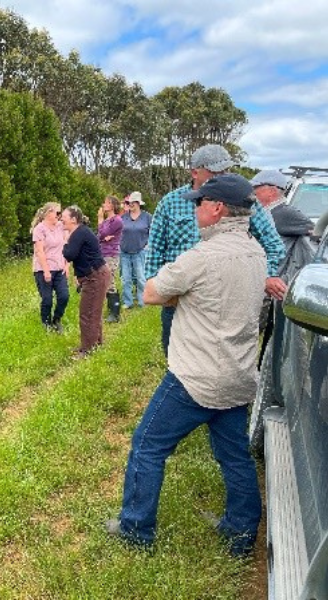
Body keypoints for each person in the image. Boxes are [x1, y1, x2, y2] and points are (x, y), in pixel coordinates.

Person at [106, 173, 265, 558]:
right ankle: (240, 535)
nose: (194, 209)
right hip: (238, 376)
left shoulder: (201, 257)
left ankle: (135, 528)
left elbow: (150, 292)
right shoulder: (256, 253)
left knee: (147, 446)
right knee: (234, 457)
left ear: (217, 209)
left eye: (199, 202)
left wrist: (184, 299)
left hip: (195, 378)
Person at [145, 144, 285, 356]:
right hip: (178, 300)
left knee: (220, 358)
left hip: (223, 300)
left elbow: (273, 244)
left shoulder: (241, 200)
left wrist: (266, 275)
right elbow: (155, 250)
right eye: (216, 172)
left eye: (226, 170)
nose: (223, 175)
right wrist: (159, 289)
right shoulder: (170, 203)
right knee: (176, 359)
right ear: (195, 172)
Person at [250, 169, 314, 334]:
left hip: (270, 283)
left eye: (258, 187)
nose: (254, 192)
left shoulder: (284, 213)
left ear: (272, 190)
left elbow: (313, 230)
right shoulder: (267, 212)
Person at [61, 205, 110, 356]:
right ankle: (96, 342)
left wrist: (65, 242)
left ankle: (87, 349)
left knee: (87, 312)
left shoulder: (78, 233)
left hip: (95, 276)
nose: (62, 220)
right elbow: (82, 256)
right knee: (94, 310)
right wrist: (78, 276)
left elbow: (69, 254)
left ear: (74, 219)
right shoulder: (81, 231)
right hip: (95, 274)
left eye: (64, 218)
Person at [30, 202, 70, 333]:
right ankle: (46, 322)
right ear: (48, 214)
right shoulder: (39, 229)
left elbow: (66, 245)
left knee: (64, 296)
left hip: (59, 267)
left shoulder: (60, 227)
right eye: (57, 213)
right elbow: (39, 251)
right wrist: (46, 271)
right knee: (47, 299)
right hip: (43, 268)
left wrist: (67, 265)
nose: (59, 216)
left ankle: (57, 319)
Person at [120, 191, 152, 310]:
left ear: (138, 203)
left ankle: (142, 301)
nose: (130, 204)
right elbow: (118, 232)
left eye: (133, 202)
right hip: (124, 252)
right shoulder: (124, 217)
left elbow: (153, 233)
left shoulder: (147, 217)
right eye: (129, 202)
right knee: (125, 279)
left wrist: (147, 246)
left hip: (140, 252)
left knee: (141, 278)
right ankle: (127, 302)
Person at [97, 196, 124, 323]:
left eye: (107, 202)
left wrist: (100, 220)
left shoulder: (116, 220)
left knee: (110, 280)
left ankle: (115, 312)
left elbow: (102, 233)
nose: (104, 204)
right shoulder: (108, 220)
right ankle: (110, 309)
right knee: (104, 281)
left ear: (113, 205)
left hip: (111, 254)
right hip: (103, 253)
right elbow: (100, 236)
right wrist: (103, 236)